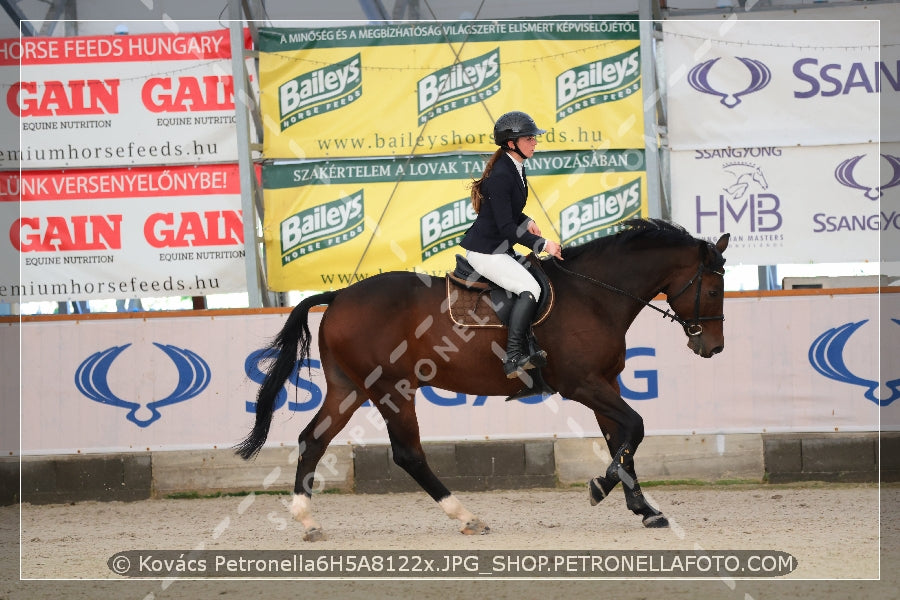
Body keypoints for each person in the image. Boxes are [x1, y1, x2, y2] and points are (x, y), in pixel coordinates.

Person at [460, 110, 564, 378]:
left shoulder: (514, 167)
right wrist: (542, 243)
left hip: (499, 247)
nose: (534, 143)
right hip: (485, 252)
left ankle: (530, 346)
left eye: (533, 138)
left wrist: (526, 219)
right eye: (529, 139)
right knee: (529, 288)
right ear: (511, 143)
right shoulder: (502, 175)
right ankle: (514, 356)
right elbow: (506, 227)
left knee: (536, 279)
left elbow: (507, 211)